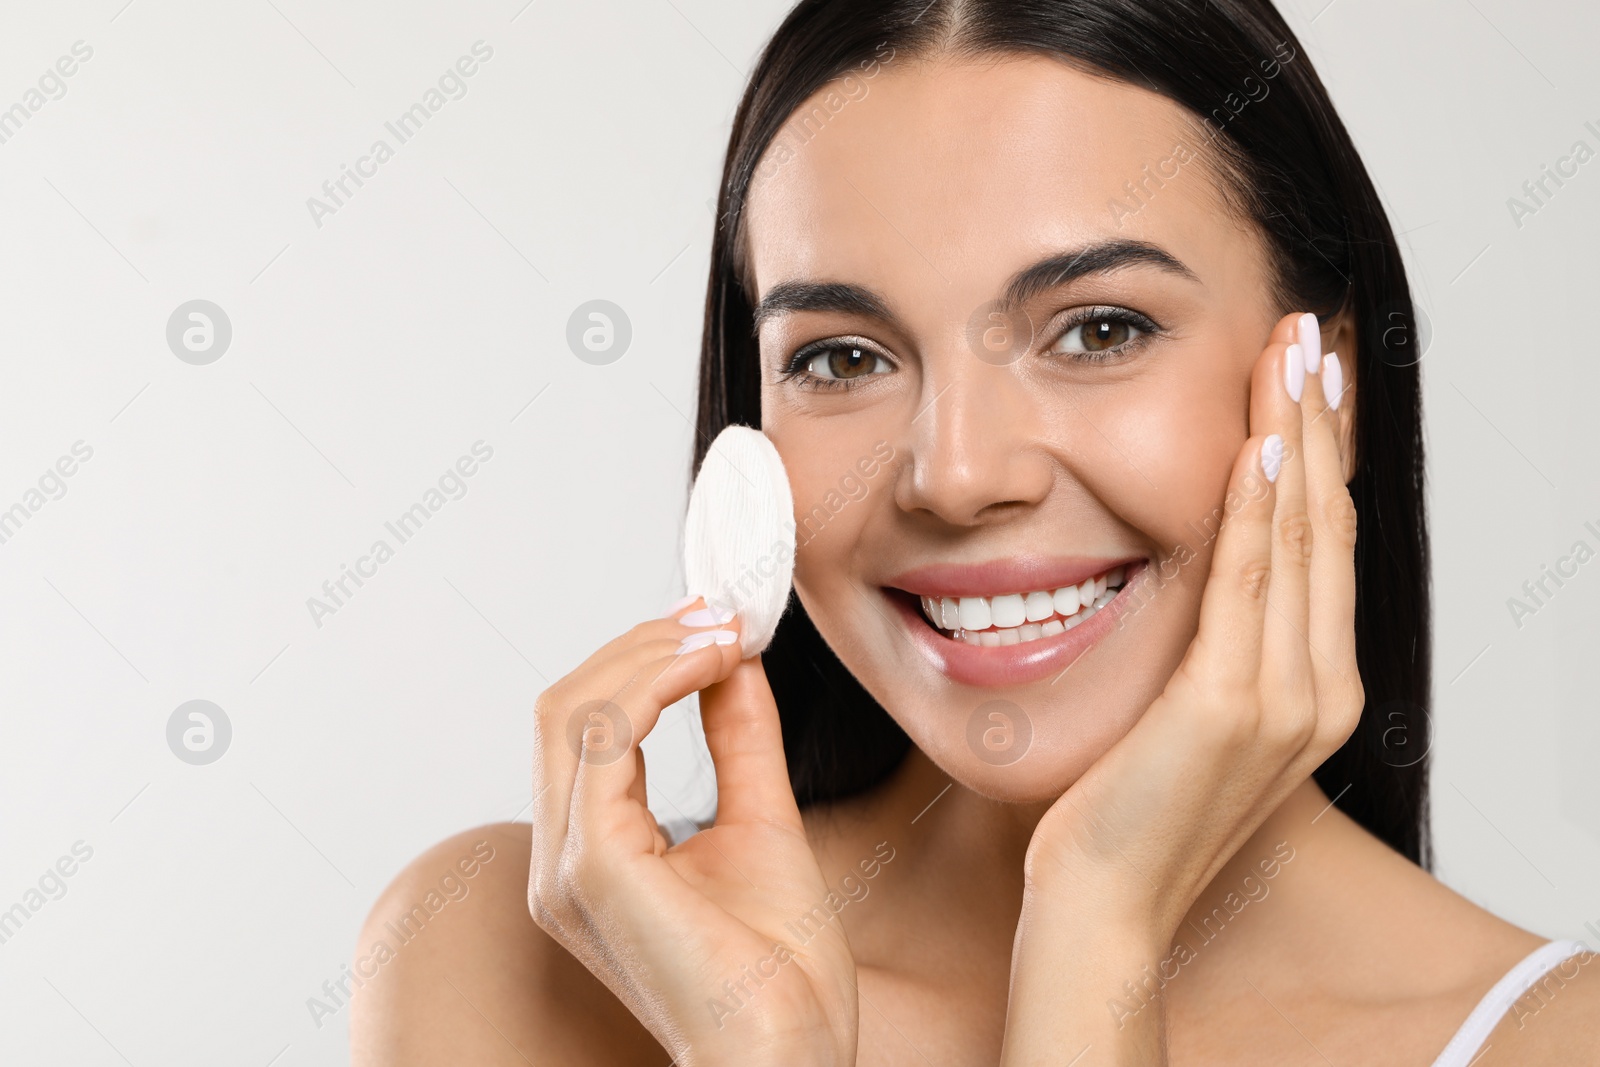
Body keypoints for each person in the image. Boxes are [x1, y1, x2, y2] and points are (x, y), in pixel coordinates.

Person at [350, 1, 1600, 1062]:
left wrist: (1095, 924)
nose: (953, 474)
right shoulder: (504, 971)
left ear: (1328, 381)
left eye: (1099, 329)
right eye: (843, 356)